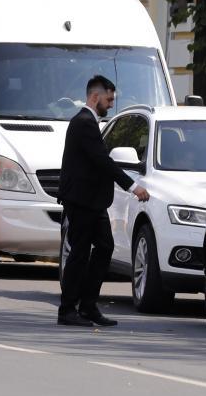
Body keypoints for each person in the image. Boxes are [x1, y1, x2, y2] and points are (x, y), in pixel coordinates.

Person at [56, 75, 149, 327]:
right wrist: (132, 186)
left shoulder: (88, 122)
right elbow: (101, 160)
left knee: (104, 247)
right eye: (108, 99)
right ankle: (68, 309)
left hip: (93, 202)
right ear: (95, 97)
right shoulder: (84, 122)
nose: (110, 104)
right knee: (79, 254)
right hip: (82, 200)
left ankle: (87, 305)